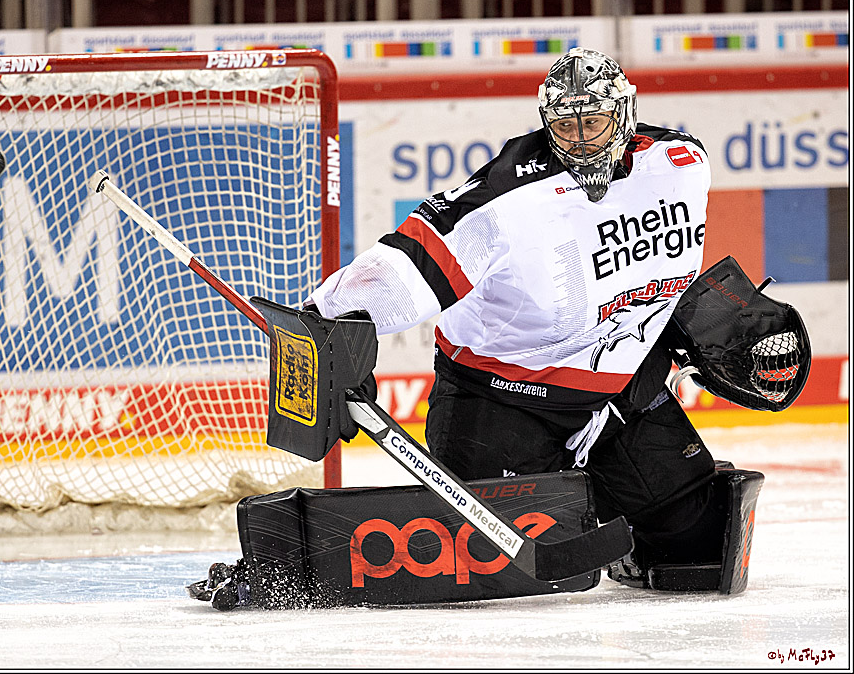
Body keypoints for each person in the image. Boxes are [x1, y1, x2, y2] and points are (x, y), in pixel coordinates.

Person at [305, 47, 725, 585]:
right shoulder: (509, 195)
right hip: (501, 398)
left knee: (697, 549)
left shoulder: (680, 164)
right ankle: (582, 497)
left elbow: (663, 268)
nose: (579, 142)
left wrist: (699, 327)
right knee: (503, 576)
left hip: (617, 394)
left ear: (625, 114)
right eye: (564, 126)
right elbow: (410, 261)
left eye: (593, 123)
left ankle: (612, 508)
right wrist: (327, 319)